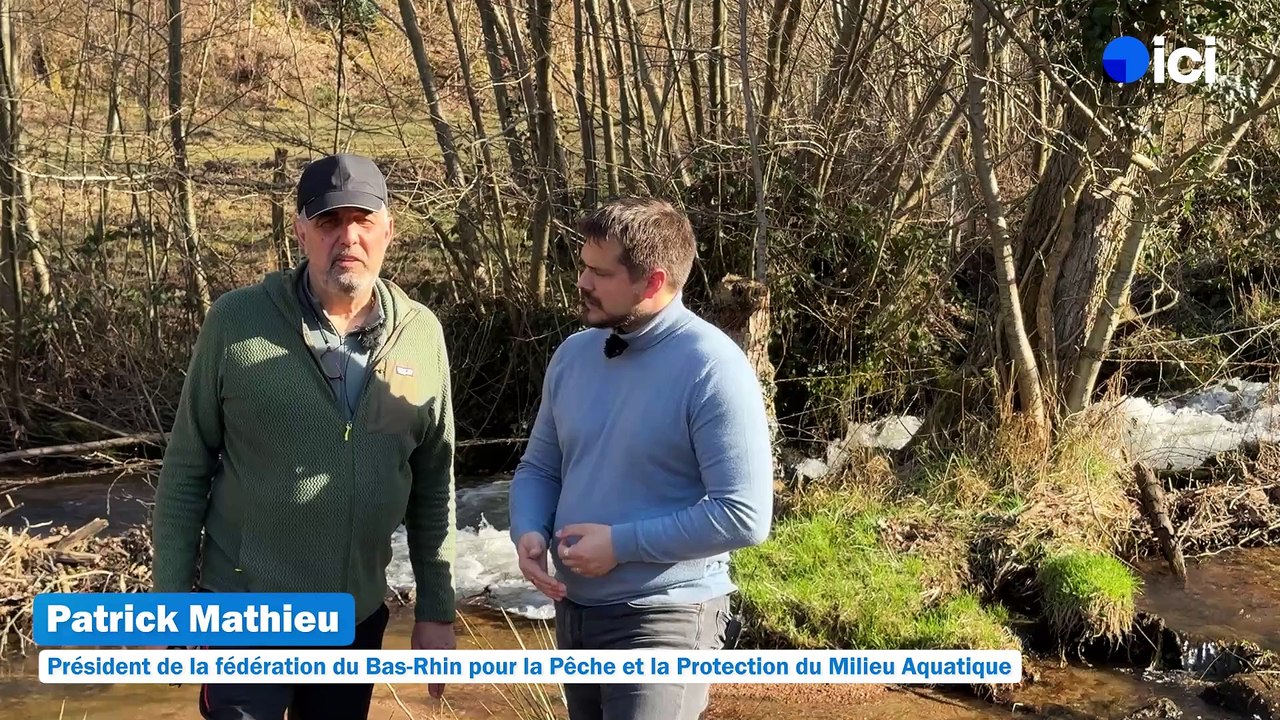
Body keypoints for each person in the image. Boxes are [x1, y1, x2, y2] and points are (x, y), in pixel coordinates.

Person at [150, 153, 458, 720]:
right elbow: (186, 468)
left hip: (356, 617)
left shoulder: (422, 333)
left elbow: (433, 484)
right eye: (329, 222)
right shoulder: (236, 321)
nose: (349, 237)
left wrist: (436, 609)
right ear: (300, 231)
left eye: (363, 220)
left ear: (389, 228)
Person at [507, 197, 775, 720]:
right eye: (583, 265)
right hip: (575, 614)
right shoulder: (573, 355)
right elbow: (540, 468)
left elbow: (744, 515)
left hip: (667, 619)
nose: (582, 281)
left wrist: (620, 545)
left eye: (599, 273)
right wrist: (528, 530)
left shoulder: (713, 368)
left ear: (652, 283)